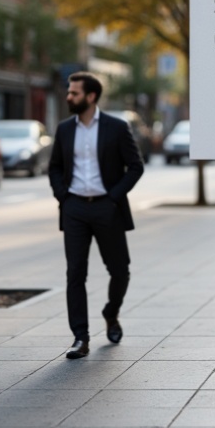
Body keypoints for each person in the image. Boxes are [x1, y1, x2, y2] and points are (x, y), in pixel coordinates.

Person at [49, 72, 144, 359]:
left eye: (74, 93)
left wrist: (114, 197)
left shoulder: (116, 127)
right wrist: (63, 196)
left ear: (91, 97)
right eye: (69, 92)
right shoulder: (65, 129)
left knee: (120, 271)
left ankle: (111, 312)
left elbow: (135, 166)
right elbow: (54, 166)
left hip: (107, 207)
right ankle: (80, 337)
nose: (69, 97)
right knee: (75, 273)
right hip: (75, 208)